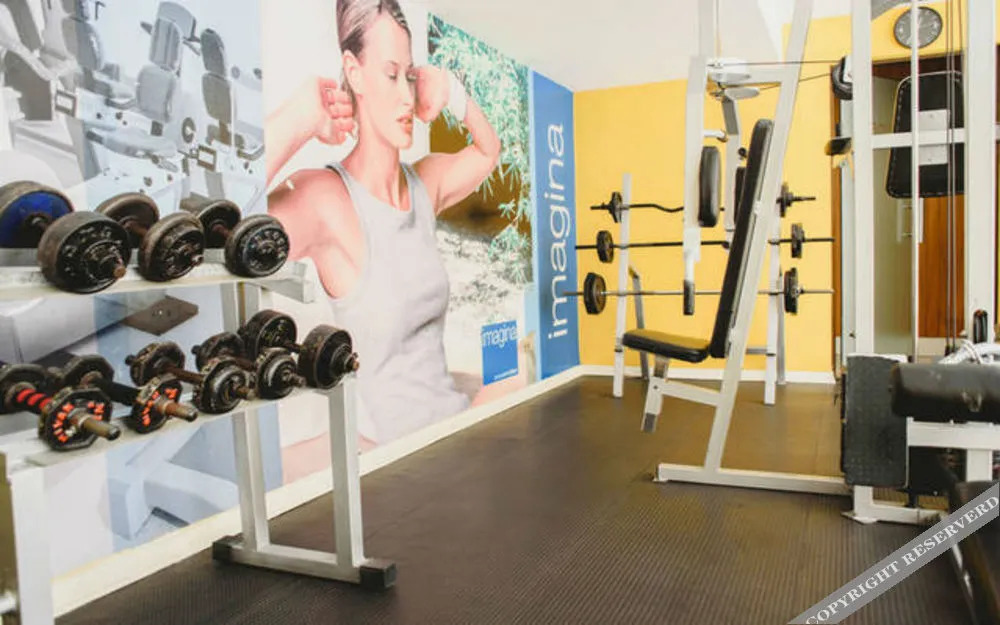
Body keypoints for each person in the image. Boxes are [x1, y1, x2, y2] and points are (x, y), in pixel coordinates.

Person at [266, 0, 525, 446]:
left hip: (456, 430)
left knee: (519, 372)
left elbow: (488, 151)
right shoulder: (323, 198)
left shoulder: (425, 183)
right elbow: (226, 237)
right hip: (396, 460)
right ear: (354, 72)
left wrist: (452, 92)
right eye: (391, 75)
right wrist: (298, 119)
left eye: (409, 76)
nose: (407, 96)